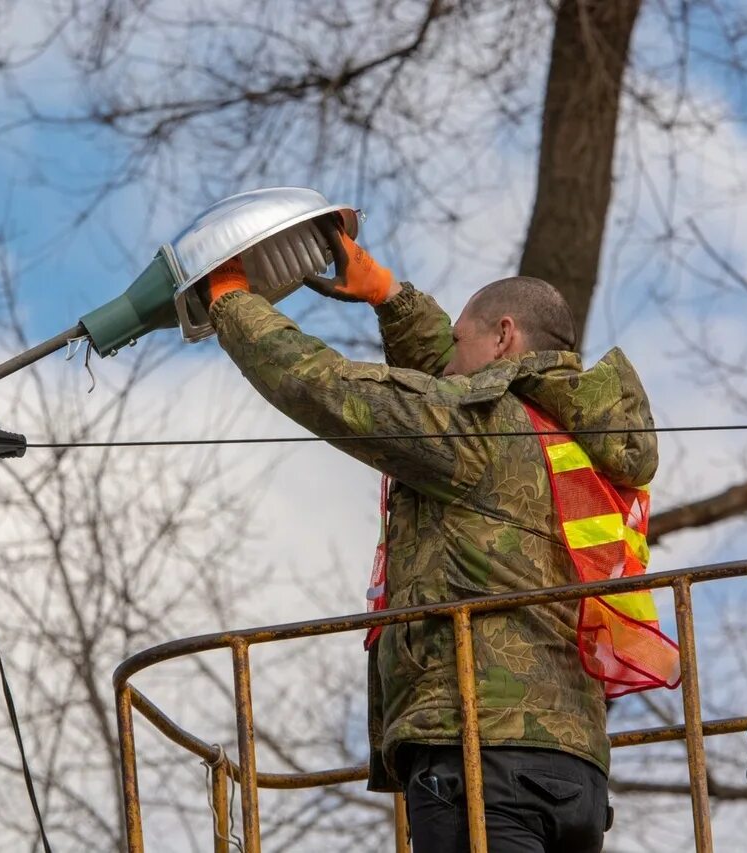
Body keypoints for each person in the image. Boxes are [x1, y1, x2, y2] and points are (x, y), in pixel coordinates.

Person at [203, 215, 660, 852]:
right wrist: (391, 298)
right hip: (573, 767)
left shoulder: (484, 433)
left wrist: (229, 300)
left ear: (504, 337)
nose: (449, 364)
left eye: (458, 339)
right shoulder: (576, 437)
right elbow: (457, 381)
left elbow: (331, 389)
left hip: (481, 754)